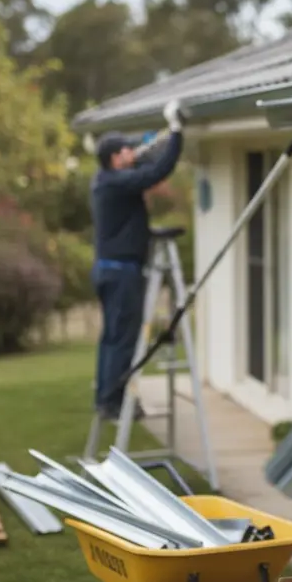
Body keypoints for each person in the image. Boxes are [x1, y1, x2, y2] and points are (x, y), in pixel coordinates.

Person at [89, 99, 186, 421]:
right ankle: (113, 404)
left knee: (111, 339)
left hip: (109, 271)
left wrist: (151, 145)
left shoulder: (108, 181)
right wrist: (175, 132)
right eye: (127, 151)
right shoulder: (117, 183)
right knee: (123, 341)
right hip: (122, 273)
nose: (132, 153)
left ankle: (104, 398)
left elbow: (145, 164)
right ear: (116, 158)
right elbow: (157, 172)